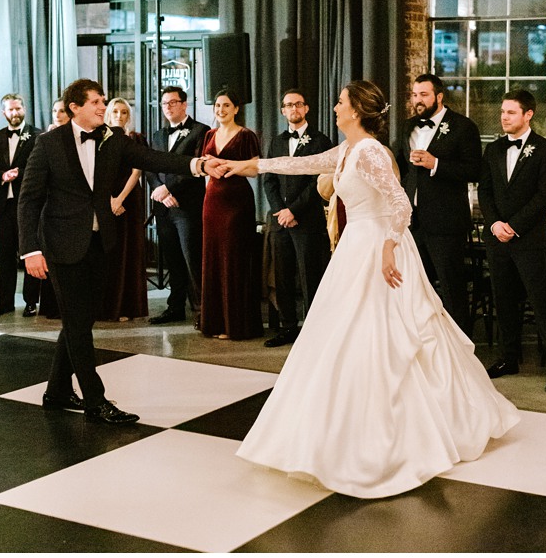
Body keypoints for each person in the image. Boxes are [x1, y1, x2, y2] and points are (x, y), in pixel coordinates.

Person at [210, 80, 518, 498]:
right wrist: (244, 166)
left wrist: (389, 248)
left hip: (378, 247)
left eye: (339, 102)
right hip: (355, 247)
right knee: (341, 334)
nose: (334, 107)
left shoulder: (371, 151)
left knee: (385, 336)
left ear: (356, 111)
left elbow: (401, 205)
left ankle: (399, 434)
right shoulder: (347, 150)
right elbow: (299, 164)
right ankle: (340, 429)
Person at [18, 79, 211, 424]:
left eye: (103, 101)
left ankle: (57, 390)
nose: (102, 107)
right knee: (78, 323)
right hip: (60, 244)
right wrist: (30, 250)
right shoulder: (48, 143)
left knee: (80, 319)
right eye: (95, 102)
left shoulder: (112, 137)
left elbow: (152, 157)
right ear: (75, 107)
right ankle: (96, 401)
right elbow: (29, 199)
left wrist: (198, 165)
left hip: (98, 241)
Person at [479, 89, 546, 393]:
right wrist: (494, 224)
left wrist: (514, 226)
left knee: (541, 302)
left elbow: (544, 196)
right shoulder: (492, 150)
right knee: (503, 301)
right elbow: (485, 192)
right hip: (497, 239)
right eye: (503, 112)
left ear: (528, 115)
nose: (504, 117)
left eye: (511, 112)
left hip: (528, 239)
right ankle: (509, 358)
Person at [395, 73, 481, 335]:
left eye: (424, 95)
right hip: (413, 223)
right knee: (414, 287)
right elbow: (399, 169)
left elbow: (474, 171)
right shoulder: (406, 126)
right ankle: (423, 342)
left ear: (439, 97)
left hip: (446, 223)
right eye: (415, 95)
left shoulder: (463, 127)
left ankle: (461, 347)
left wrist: (436, 164)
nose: (418, 100)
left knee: (452, 287)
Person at [261, 90, 335, 348]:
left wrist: (294, 210)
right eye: (288, 105)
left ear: (306, 108)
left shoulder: (321, 141)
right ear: (283, 111)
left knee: (309, 275)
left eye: (298, 104)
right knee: (282, 276)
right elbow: (268, 178)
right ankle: (288, 327)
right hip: (280, 221)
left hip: (308, 220)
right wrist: (280, 210)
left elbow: (320, 181)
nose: (293, 109)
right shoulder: (276, 141)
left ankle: (314, 330)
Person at [198, 90, 261, 340]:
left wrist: (230, 168)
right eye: (217, 105)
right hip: (212, 200)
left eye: (226, 105)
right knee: (213, 258)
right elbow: (203, 167)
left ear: (236, 109)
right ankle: (215, 322)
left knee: (233, 259)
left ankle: (236, 323)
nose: (220, 110)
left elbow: (255, 170)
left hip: (237, 202)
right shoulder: (209, 135)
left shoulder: (246, 135)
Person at [149, 86, 209, 324]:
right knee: (172, 259)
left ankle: (203, 310)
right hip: (163, 207)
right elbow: (150, 166)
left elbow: (196, 168)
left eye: (173, 102)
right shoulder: (158, 135)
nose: (168, 107)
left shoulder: (200, 131)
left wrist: (170, 189)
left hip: (187, 206)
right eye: (165, 103)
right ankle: (175, 307)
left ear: (185, 105)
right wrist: (159, 190)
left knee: (192, 258)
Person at [0, 93, 42, 316]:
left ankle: (30, 302)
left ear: (24, 109)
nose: (15, 113)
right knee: (6, 254)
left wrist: (20, 174)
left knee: (29, 252)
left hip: (26, 204)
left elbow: (40, 168)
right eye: (10, 110)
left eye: (18, 109)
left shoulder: (37, 136)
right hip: (3, 205)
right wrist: (2, 175)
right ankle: (5, 302)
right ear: (3, 112)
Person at [100, 97, 148, 321]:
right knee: (109, 253)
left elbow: (137, 171)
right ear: (108, 114)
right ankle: (108, 306)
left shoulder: (136, 139)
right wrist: (109, 199)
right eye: (115, 112)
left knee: (130, 251)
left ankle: (128, 307)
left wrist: (119, 199)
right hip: (105, 198)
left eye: (124, 112)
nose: (119, 116)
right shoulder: (100, 138)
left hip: (129, 197)